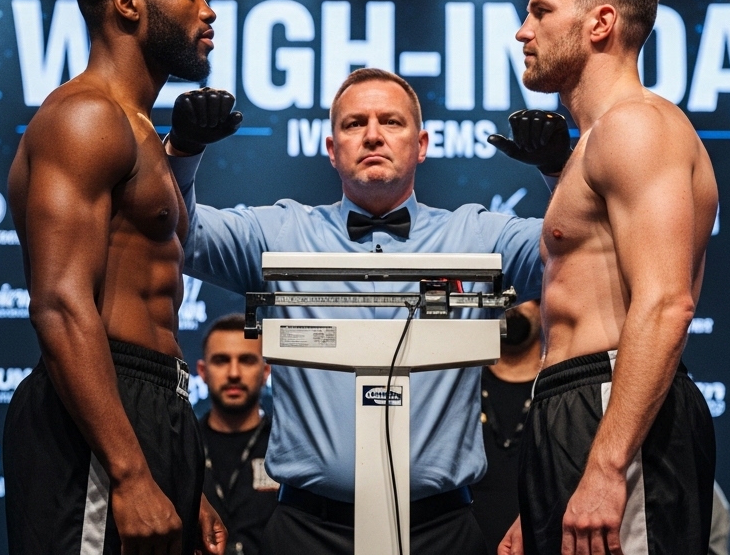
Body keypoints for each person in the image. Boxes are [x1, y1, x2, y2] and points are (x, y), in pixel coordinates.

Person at [166, 68, 555, 555]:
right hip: (307, 532)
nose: (372, 134)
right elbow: (180, 234)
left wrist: (560, 171)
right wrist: (182, 152)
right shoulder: (278, 235)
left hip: (442, 531)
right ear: (331, 149)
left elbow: (571, 250)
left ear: (423, 144)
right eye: (354, 124)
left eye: (391, 121)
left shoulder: (479, 237)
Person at [3, 0, 228, 555]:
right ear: (127, 4)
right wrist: (129, 473)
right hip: (102, 411)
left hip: (150, 405)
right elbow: (59, 303)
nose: (208, 11)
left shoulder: (137, 128)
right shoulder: (85, 117)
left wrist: (184, 480)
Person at [497, 0, 718, 555]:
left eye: (540, 12)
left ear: (600, 23)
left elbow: (667, 303)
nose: (523, 31)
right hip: (573, 408)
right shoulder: (593, 142)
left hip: (611, 402)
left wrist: (605, 469)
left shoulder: (636, 125)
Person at [196, 313, 278, 555]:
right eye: (221, 360)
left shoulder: (288, 450)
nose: (233, 373)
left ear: (265, 371)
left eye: (246, 360)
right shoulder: (180, 447)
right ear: (202, 371)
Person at [471, 301, 542, 550]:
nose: (513, 303)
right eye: (504, 297)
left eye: (525, 293)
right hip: (465, 541)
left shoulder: (558, 392)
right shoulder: (459, 387)